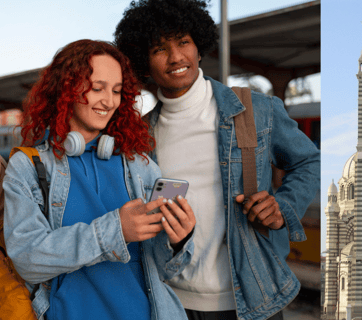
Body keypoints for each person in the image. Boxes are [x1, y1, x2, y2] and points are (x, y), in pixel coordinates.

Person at [115, 1, 320, 319]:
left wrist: (284, 206)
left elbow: (309, 162)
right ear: (145, 62)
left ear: (198, 48)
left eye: (183, 42)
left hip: (253, 300)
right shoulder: (140, 136)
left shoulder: (255, 110)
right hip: (173, 303)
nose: (176, 57)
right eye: (159, 49)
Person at [3, 39, 196, 320]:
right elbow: (28, 259)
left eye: (117, 91)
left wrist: (178, 241)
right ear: (66, 89)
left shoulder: (139, 165)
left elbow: (165, 269)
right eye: (97, 88)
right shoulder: (29, 166)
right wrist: (116, 230)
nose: (109, 101)